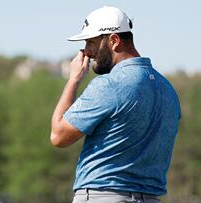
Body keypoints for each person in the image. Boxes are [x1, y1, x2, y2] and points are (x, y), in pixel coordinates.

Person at [50, 6, 181, 203]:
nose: (86, 51)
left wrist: (74, 80)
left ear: (113, 40)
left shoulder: (110, 84)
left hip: (104, 196)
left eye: (91, 42)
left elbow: (58, 136)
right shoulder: (167, 89)